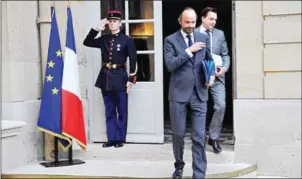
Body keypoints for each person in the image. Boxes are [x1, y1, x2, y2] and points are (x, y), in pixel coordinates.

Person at [164, 7, 215, 179]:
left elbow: (209, 60)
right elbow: (170, 65)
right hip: (178, 95)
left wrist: (212, 75)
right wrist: (189, 51)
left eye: (193, 22)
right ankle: (179, 166)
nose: (190, 25)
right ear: (180, 21)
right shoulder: (170, 40)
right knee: (178, 135)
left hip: (199, 93)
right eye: (187, 22)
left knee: (199, 136)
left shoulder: (203, 37)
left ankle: (199, 174)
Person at [83, 10, 137, 148]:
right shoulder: (104, 39)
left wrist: (131, 80)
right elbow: (87, 42)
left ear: (120, 23)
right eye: (110, 21)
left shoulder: (127, 40)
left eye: (115, 21)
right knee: (109, 110)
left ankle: (120, 139)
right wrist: (96, 28)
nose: (112, 24)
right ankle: (111, 138)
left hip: (120, 77)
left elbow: (134, 60)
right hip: (105, 78)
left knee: (122, 110)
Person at [196, 7, 230, 154]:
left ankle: (214, 137)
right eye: (211, 19)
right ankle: (199, 138)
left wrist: (225, 68)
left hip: (217, 76)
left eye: (215, 19)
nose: (213, 22)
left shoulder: (219, 34)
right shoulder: (194, 33)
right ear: (202, 18)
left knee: (221, 105)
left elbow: (225, 54)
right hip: (199, 76)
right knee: (199, 108)